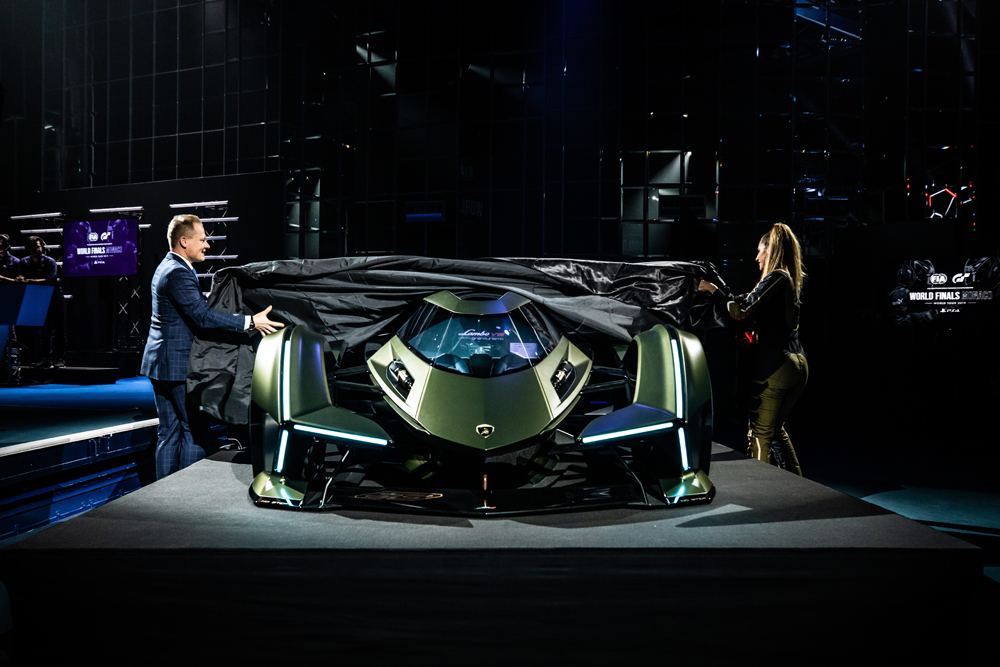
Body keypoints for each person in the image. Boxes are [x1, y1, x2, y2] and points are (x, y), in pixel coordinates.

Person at [141, 214, 284, 479]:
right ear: (184, 241)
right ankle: (185, 489)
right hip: (176, 364)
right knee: (193, 431)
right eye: (203, 239)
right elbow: (202, 317)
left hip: (160, 363)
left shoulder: (166, 266)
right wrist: (250, 321)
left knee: (169, 431)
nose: (207, 245)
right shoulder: (177, 272)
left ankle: (165, 491)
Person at [698, 223, 808, 475]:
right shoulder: (787, 280)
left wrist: (711, 289)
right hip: (797, 363)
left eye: (760, 251)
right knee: (776, 431)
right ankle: (796, 485)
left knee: (759, 433)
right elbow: (745, 302)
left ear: (772, 250)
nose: (757, 258)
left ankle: (761, 489)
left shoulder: (776, 276)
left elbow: (740, 310)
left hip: (777, 365)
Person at [16, 236, 64, 368]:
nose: (36, 249)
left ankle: (60, 358)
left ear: (42, 247)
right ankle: (47, 359)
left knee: (59, 330)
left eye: (38, 246)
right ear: (28, 249)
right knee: (44, 331)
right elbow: (21, 276)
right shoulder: (24, 262)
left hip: (55, 298)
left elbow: (50, 280)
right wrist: (21, 278)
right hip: (39, 298)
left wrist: (29, 281)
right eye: (33, 247)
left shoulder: (50, 262)